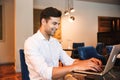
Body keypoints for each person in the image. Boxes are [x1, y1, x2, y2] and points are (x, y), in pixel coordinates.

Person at [24, 7, 102, 80]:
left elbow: (68, 61)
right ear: (43, 22)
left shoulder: (55, 42)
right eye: (54, 23)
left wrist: (87, 62)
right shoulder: (31, 42)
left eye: (58, 24)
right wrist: (76, 67)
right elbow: (46, 73)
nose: (57, 27)